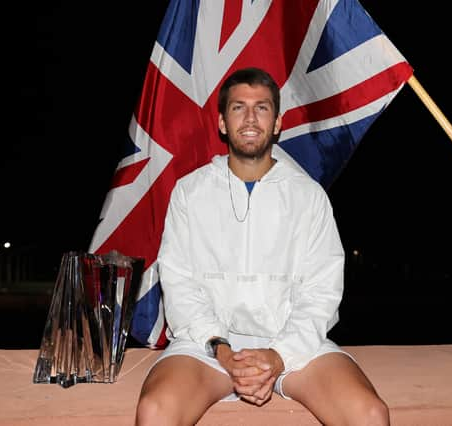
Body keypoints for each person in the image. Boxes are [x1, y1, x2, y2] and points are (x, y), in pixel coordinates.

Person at [135, 67, 389, 425]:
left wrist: (278, 355)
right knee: (155, 411)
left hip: (292, 347)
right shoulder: (190, 193)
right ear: (223, 122)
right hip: (207, 348)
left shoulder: (308, 196)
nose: (251, 118)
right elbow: (179, 284)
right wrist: (221, 350)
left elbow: (321, 292)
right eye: (238, 108)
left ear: (278, 122)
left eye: (262, 108)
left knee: (369, 414)